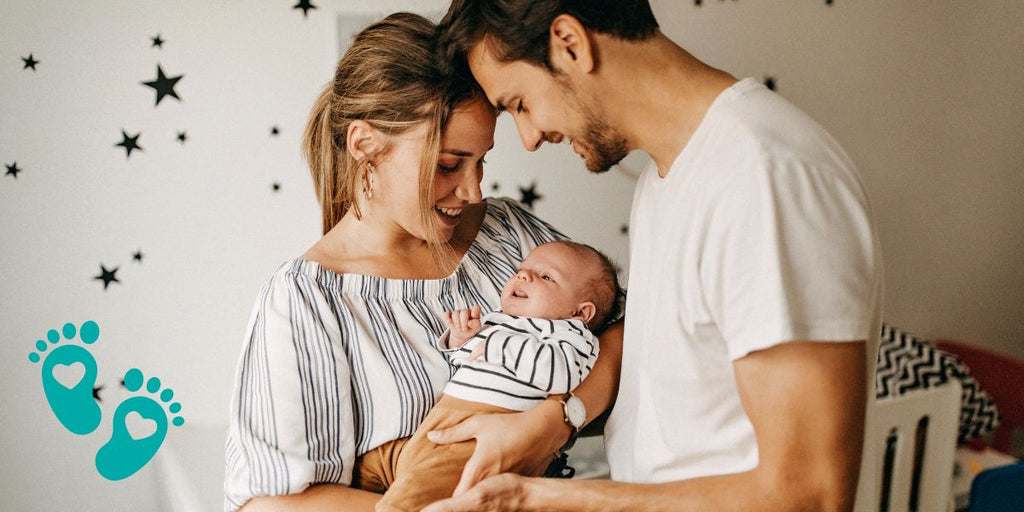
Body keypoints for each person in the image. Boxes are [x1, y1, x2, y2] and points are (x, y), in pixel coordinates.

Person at [427, 1, 883, 511]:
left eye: (520, 104)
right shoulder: (665, 179)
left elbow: (811, 493)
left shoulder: (764, 177)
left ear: (571, 44)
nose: (530, 139)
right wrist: (556, 419)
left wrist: (534, 498)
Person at [223, 12, 624, 512]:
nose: (473, 190)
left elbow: (621, 325)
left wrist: (555, 421)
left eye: (482, 162)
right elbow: (271, 504)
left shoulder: (508, 233)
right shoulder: (308, 301)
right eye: (449, 165)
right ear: (365, 145)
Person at [366, 241, 620, 511]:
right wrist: (461, 338)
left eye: (546, 276)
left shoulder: (571, 334)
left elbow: (558, 374)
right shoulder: (500, 319)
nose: (524, 276)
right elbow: (464, 358)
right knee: (368, 464)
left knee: (413, 499)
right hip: (436, 425)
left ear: (580, 312)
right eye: (523, 269)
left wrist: (495, 344)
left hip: (480, 439)